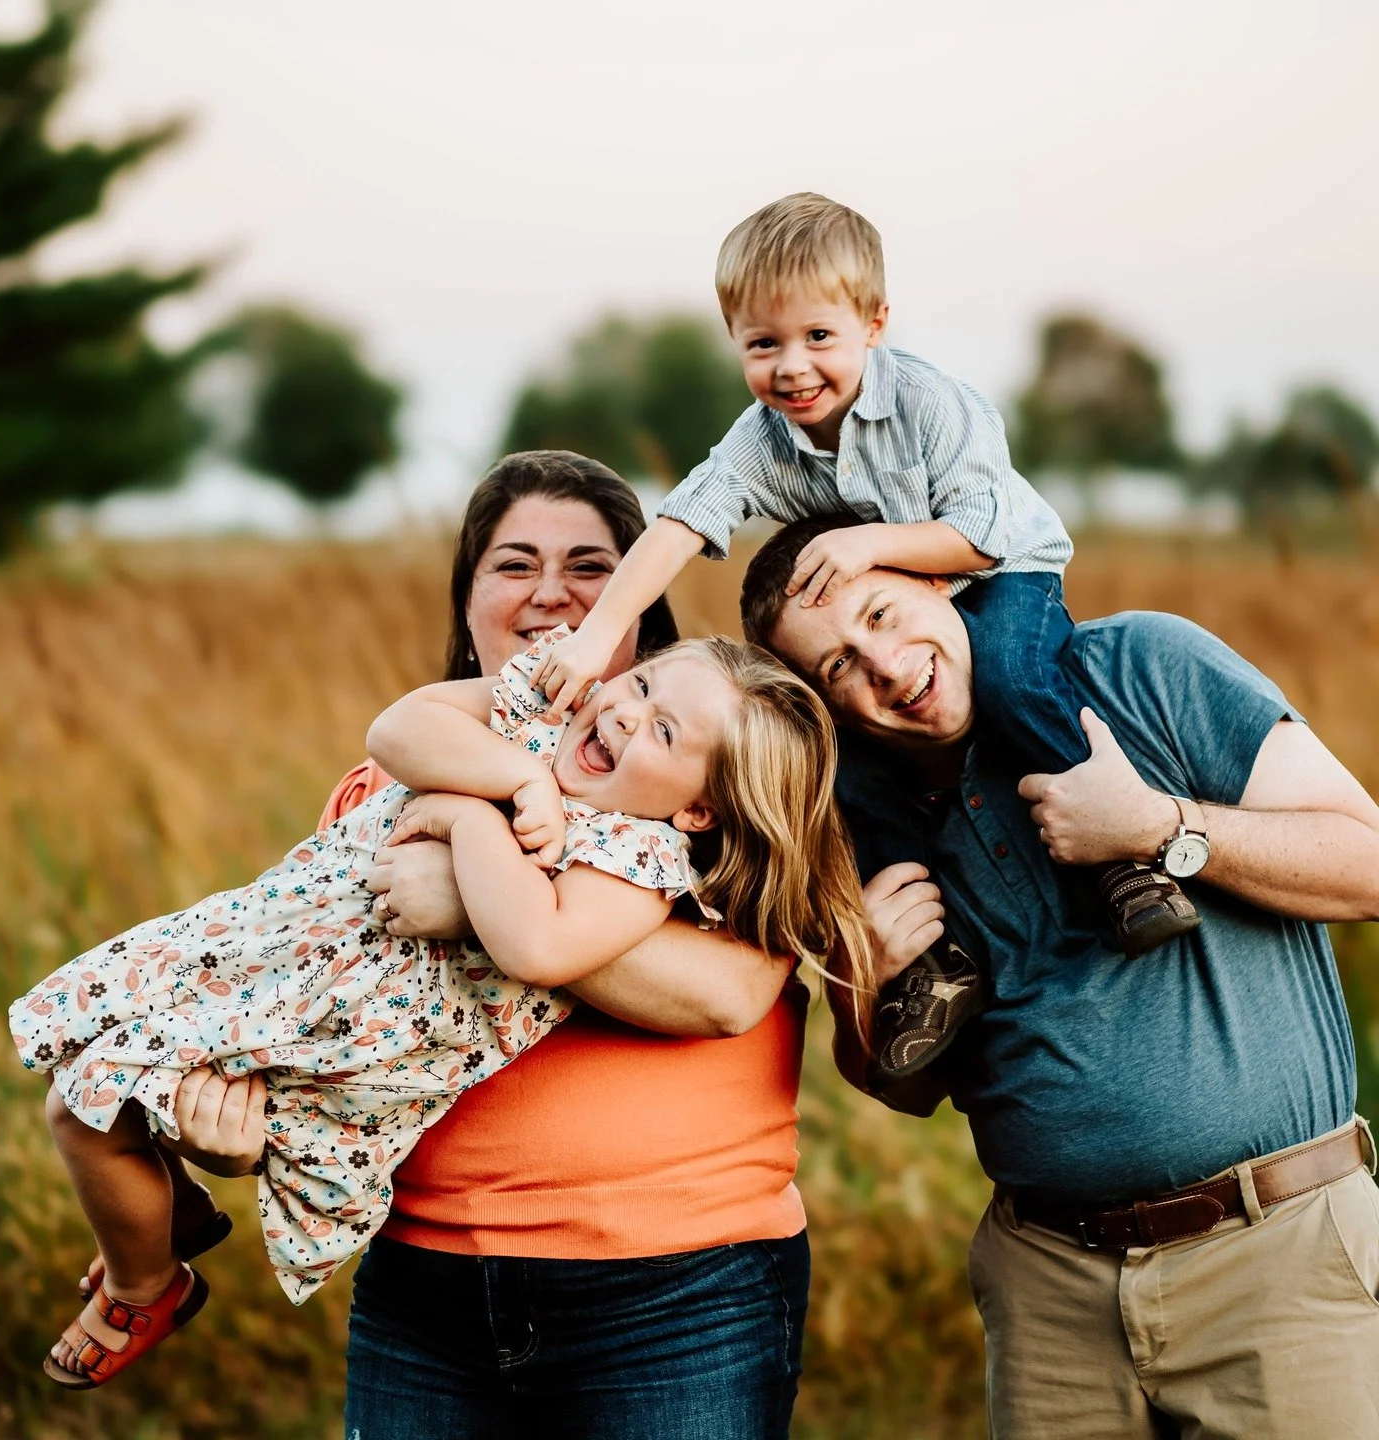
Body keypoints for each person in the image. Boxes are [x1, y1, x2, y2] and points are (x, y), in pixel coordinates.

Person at [99, 452, 823, 1438]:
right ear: (470, 594)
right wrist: (226, 1134)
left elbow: (725, 994)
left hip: (676, 1294)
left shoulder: (721, 782)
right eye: (513, 564)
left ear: (640, 600)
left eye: (592, 567)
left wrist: (470, 889)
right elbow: (322, 1019)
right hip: (427, 1295)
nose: (551, 594)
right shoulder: (384, 792)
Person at [741, 512, 1379, 1439]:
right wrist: (858, 985)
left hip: (1274, 1254)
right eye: (837, 665)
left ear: (935, 580)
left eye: (880, 613)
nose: (881, 667)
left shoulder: (1139, 669)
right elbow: (906, 1091)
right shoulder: (860, 825)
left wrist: (1161, 830)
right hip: (1049, 1289)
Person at [534, 191, 1197, 1073]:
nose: (792, 367)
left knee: (1005, 675)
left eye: (818, 337)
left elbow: (983, 531)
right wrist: (597, 633)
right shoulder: (759, 441)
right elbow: (683, 523)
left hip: (999, 573)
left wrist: (872, 542)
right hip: (888, 598)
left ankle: (1123, 865)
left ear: (874, 322)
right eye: (762, 344)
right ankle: (929, 961)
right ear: (736, 342)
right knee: (852, 772)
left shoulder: (931, 405)